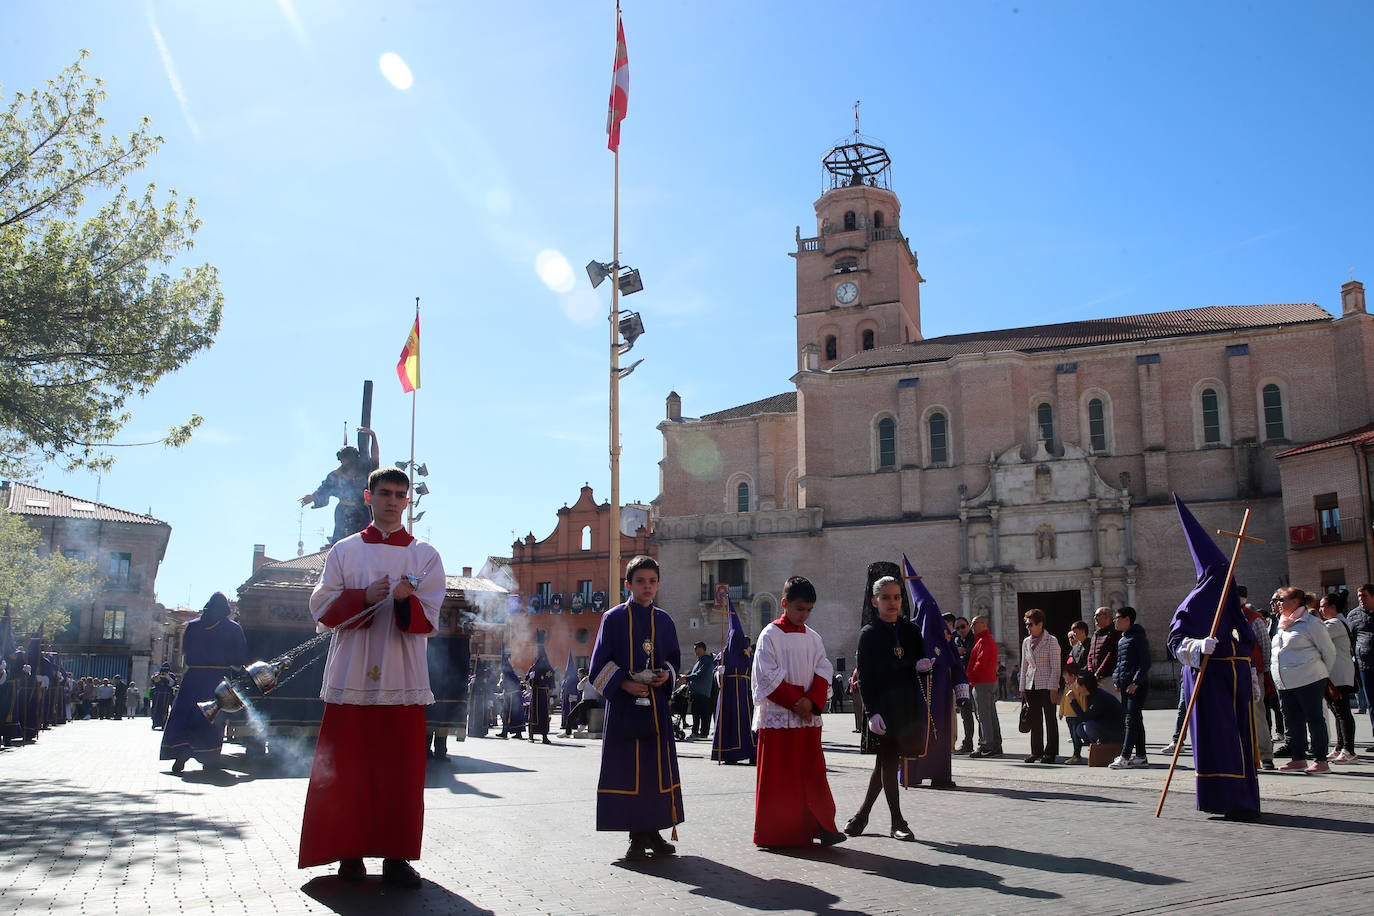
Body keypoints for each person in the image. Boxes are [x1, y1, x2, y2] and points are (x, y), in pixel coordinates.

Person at [297, 466, 445, 888]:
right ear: (369, 497)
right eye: (385, 493)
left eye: (400, 494)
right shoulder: (344, 550)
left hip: (402, 672)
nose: (393, 501)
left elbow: (430, 617)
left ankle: (397, 858)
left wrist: (402, 601)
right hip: (352, 671)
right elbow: (321, 606)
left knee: (401, 770)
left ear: (408, 501)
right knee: (348, 765)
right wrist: (363, 596)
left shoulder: (425, 555)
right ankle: (349, 853)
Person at [1163, 495, 1261, 819]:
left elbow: (1245, 640)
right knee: (1221, 742)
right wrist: (1197, 647)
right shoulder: (1192, 604)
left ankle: (1244, 800)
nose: (1225, 579)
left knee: (1242, 744)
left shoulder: (1232, 604)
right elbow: (1175, 642)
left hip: (1237, 683)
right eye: (1220, 573)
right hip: (1210, 683)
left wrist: (1253, 673)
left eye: (1228, 573)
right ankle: (1223, 799)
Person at [588, 555, 684, 860]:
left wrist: (665, 674)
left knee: (654, 773)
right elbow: (597, 666)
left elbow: (673, 661)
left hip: (656, 708)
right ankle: (635, 837)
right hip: (625, 708)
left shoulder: (665, 620)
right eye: (641, 581)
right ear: (628, 584)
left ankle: (653, 832)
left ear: (658, 584)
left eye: (652, 581)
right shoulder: (613, 618)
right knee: (628, 770)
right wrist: (625, 684)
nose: (647, 587)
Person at [750, 576, 844, 846]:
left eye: (809, 610)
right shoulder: (769, 635)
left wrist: (812, 702)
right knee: (781, 778)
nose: (804, 615)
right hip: (780, 717)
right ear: (784, 604)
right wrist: (798, 702)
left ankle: (821, 825)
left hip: (807, 718)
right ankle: (779, 832)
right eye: (800, 608)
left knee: (813, 773)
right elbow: (766, 675)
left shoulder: (814, 638)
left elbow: (824, 670)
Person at [844, 572, 931, 842]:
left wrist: (923, 667)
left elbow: (920, 660)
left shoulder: (911, 631)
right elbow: (866, 677)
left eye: (896, 597)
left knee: (885, 762)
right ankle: (897, 822)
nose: (891, 603)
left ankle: (861, 817)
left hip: (906, 706)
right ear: (874, 602)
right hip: (882, 708)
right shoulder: (868, 634)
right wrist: (871, 712)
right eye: (885, 598)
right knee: (888, 761)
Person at [160, 592, 249, 774]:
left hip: (192, 678)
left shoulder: (192, 626)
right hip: (217, 680)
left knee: (185, 715)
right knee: (212, 719)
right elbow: (239, 657)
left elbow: (185, 651)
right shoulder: (233, 628)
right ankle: (209, 759)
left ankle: (180, 756)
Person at [902, 567, 969, 788]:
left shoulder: (945, 638)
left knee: (941, 737)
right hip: (915, 697)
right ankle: (912, 775)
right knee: (916, 734)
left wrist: (962, 694)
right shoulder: (909, 633)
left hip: (941, 698)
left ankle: (940, 776)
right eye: (925, 608)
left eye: (933, 608)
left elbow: (957, 665)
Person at [1272, 587, 1336, 773]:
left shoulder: (1311, 622)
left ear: (1295, 601)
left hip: (1309, 680)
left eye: (1281, 599)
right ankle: (1298, 758)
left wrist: (1321, 674)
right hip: (1285, 683)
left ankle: (1320, 760)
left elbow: (1329, 651)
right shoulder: (1282, 623)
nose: (1277, 604)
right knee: (1292, 721)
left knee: (1314, 719)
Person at [298, 429, 381, 546]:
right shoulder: (335, 476)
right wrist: (312, 497)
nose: (344, 462)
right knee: (341, 543)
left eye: (346, 459)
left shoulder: (364, 471)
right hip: (343, 512)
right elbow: (324, 489)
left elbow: (375, 458)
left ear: (353, 458)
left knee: (364, 542)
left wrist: (373, 436)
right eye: (342, 460)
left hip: (362, 512)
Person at [712, 599, 756, 765]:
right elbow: (716, 671)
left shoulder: (748, 655)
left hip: (746, 693)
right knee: (730, 721)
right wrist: (719, 673)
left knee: (748, 723)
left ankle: (752, 752)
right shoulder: (725, 654)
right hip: (730, 693)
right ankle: (729, 753)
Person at [1318, 592, 1358, 763]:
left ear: (1333, 607)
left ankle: (1349, 749)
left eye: (1323, 606)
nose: (1320, 610)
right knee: (1337, 711)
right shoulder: (1335, 622)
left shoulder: (1335, 624)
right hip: (1334, 674)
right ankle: (1340, 746)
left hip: (1340, 674)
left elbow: (1317, 636)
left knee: (1343, 712)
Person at [1110, 606, 1151, 768]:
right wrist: (1117, 680)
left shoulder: (1138, 638)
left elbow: (1145, 662)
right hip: (1126, 686)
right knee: (1136, 720)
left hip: (1136, 686)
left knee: (1130, 721)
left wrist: (1136, 682)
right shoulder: (1123, 639)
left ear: (1127, 619)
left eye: (1117, 618)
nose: (1115, 621)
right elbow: (1121, 663)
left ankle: (1125, 756)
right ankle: (1141, 756)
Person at [1019, 608, 1060, 764]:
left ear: (1040, 624)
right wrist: (1022, 686)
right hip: (1031, 685)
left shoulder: (1051, 641)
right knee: (1034, 719)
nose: (1028, 627)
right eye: (1027, 624)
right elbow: (1024, 665)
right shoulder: (1026, 642)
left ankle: (1050, 752)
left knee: (1050, 719)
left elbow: (1055, 667)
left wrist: (1053, 688)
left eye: (1030, 624)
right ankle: (1036, 751)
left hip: (1047, 684)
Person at [966, 614, 1002, 757]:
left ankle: (987, 744)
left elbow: (981, 663)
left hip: (982, 682)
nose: (971, 627)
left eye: (974, 624)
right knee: (990, 714)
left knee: (984, 715)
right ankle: (995, 743)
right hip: (986, 681)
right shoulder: (983, 640)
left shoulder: (984, 641)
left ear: (983, 624)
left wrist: (970, 676)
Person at [1068, 671, 1123, 747]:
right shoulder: (1091, 694)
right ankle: (1096, 746)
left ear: (1084, 686)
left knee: (1089, 726)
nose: (1075, 686)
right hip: (1105, 726)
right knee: (1080, 729)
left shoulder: (1099, 698)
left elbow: (1084, 718)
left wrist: (1073, 701)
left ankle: (1105, 745)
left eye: (1076, 684)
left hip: (1117, 731)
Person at [1349, 584, 1374, 748]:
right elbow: (1350, 639)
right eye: (1359, 596)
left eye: (1364, 596)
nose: (1361, 599)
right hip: (1366, 666)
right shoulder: (1354, 615)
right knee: (1372, 703)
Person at [949, 614, 975, 754]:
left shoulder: (973, 639)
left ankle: (984, 743)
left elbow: (969, 656)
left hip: (973, 680)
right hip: (962, 682)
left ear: (969, 626)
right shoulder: (957, 639)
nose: (961, 630)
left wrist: (962, 654)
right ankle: (968, 743)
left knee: (978, 714)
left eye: (963, 627)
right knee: (965, 714)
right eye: (958, 628)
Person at [684, 640, 716, 739]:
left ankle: (700, 732)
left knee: (701, 713)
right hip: (697, 691)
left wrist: (686, 678)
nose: (696, 651)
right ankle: (700, 732)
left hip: (702, 691)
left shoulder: (706, 660)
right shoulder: (701, 660)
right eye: (695, 649)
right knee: (697, 713)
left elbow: (700, 674)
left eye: (697, 649)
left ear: (702, 649)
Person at [1087, 607, 1121, 696]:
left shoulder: (1114, 633)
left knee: (1111, 706)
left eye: (1098, 615)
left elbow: (1112, 654)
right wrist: (1091, 672)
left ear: (1107, 617)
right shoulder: (1096, 634)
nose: (1094, 617)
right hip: (1096, 678)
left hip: (1109, 677)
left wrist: (1098, 673)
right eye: (1094, 615)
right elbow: (1090, 654)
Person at [526, 646, 556, 744]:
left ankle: (544, 736)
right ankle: (531, 735)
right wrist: (531, 678)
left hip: (544, 694)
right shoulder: (533, 668)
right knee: (534, 713)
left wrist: (552, 695)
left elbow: (552, 680)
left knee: (544, 715)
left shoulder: (548, 669)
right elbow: (528, 680)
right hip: (536, 694)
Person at [1060, 662, 1085, 763]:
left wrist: (1083, 713)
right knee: (1072, 735)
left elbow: (1083, 700)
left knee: (1076, 736)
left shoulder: (1077, 686)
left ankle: (1076, 754)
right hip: (1068, 715)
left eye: (1065, 674)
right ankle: (1076, 754)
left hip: (1076, 716)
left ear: (1073, 676)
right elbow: (1063, 701)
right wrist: (1061, 712)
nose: (1063, 676)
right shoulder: (1067, 686)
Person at [497, 650, 526, 739]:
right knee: (510, 715)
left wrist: (501, 684)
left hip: (513, 699)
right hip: (511, 697)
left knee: (510, 715)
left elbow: (503, 686)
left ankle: (508, 732)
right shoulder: (511, 675)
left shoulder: (509, 675)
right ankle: (509, 732)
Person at [150, 664, 176, 730]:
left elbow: (172, 684)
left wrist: (167, 677)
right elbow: (154, 681)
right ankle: (155, 722)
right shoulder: (157, 674)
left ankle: (163, 723)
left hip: (166, 695)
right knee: (155, 709)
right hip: (157, 695)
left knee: (164, 710)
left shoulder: (171, 676)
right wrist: (158, 677)